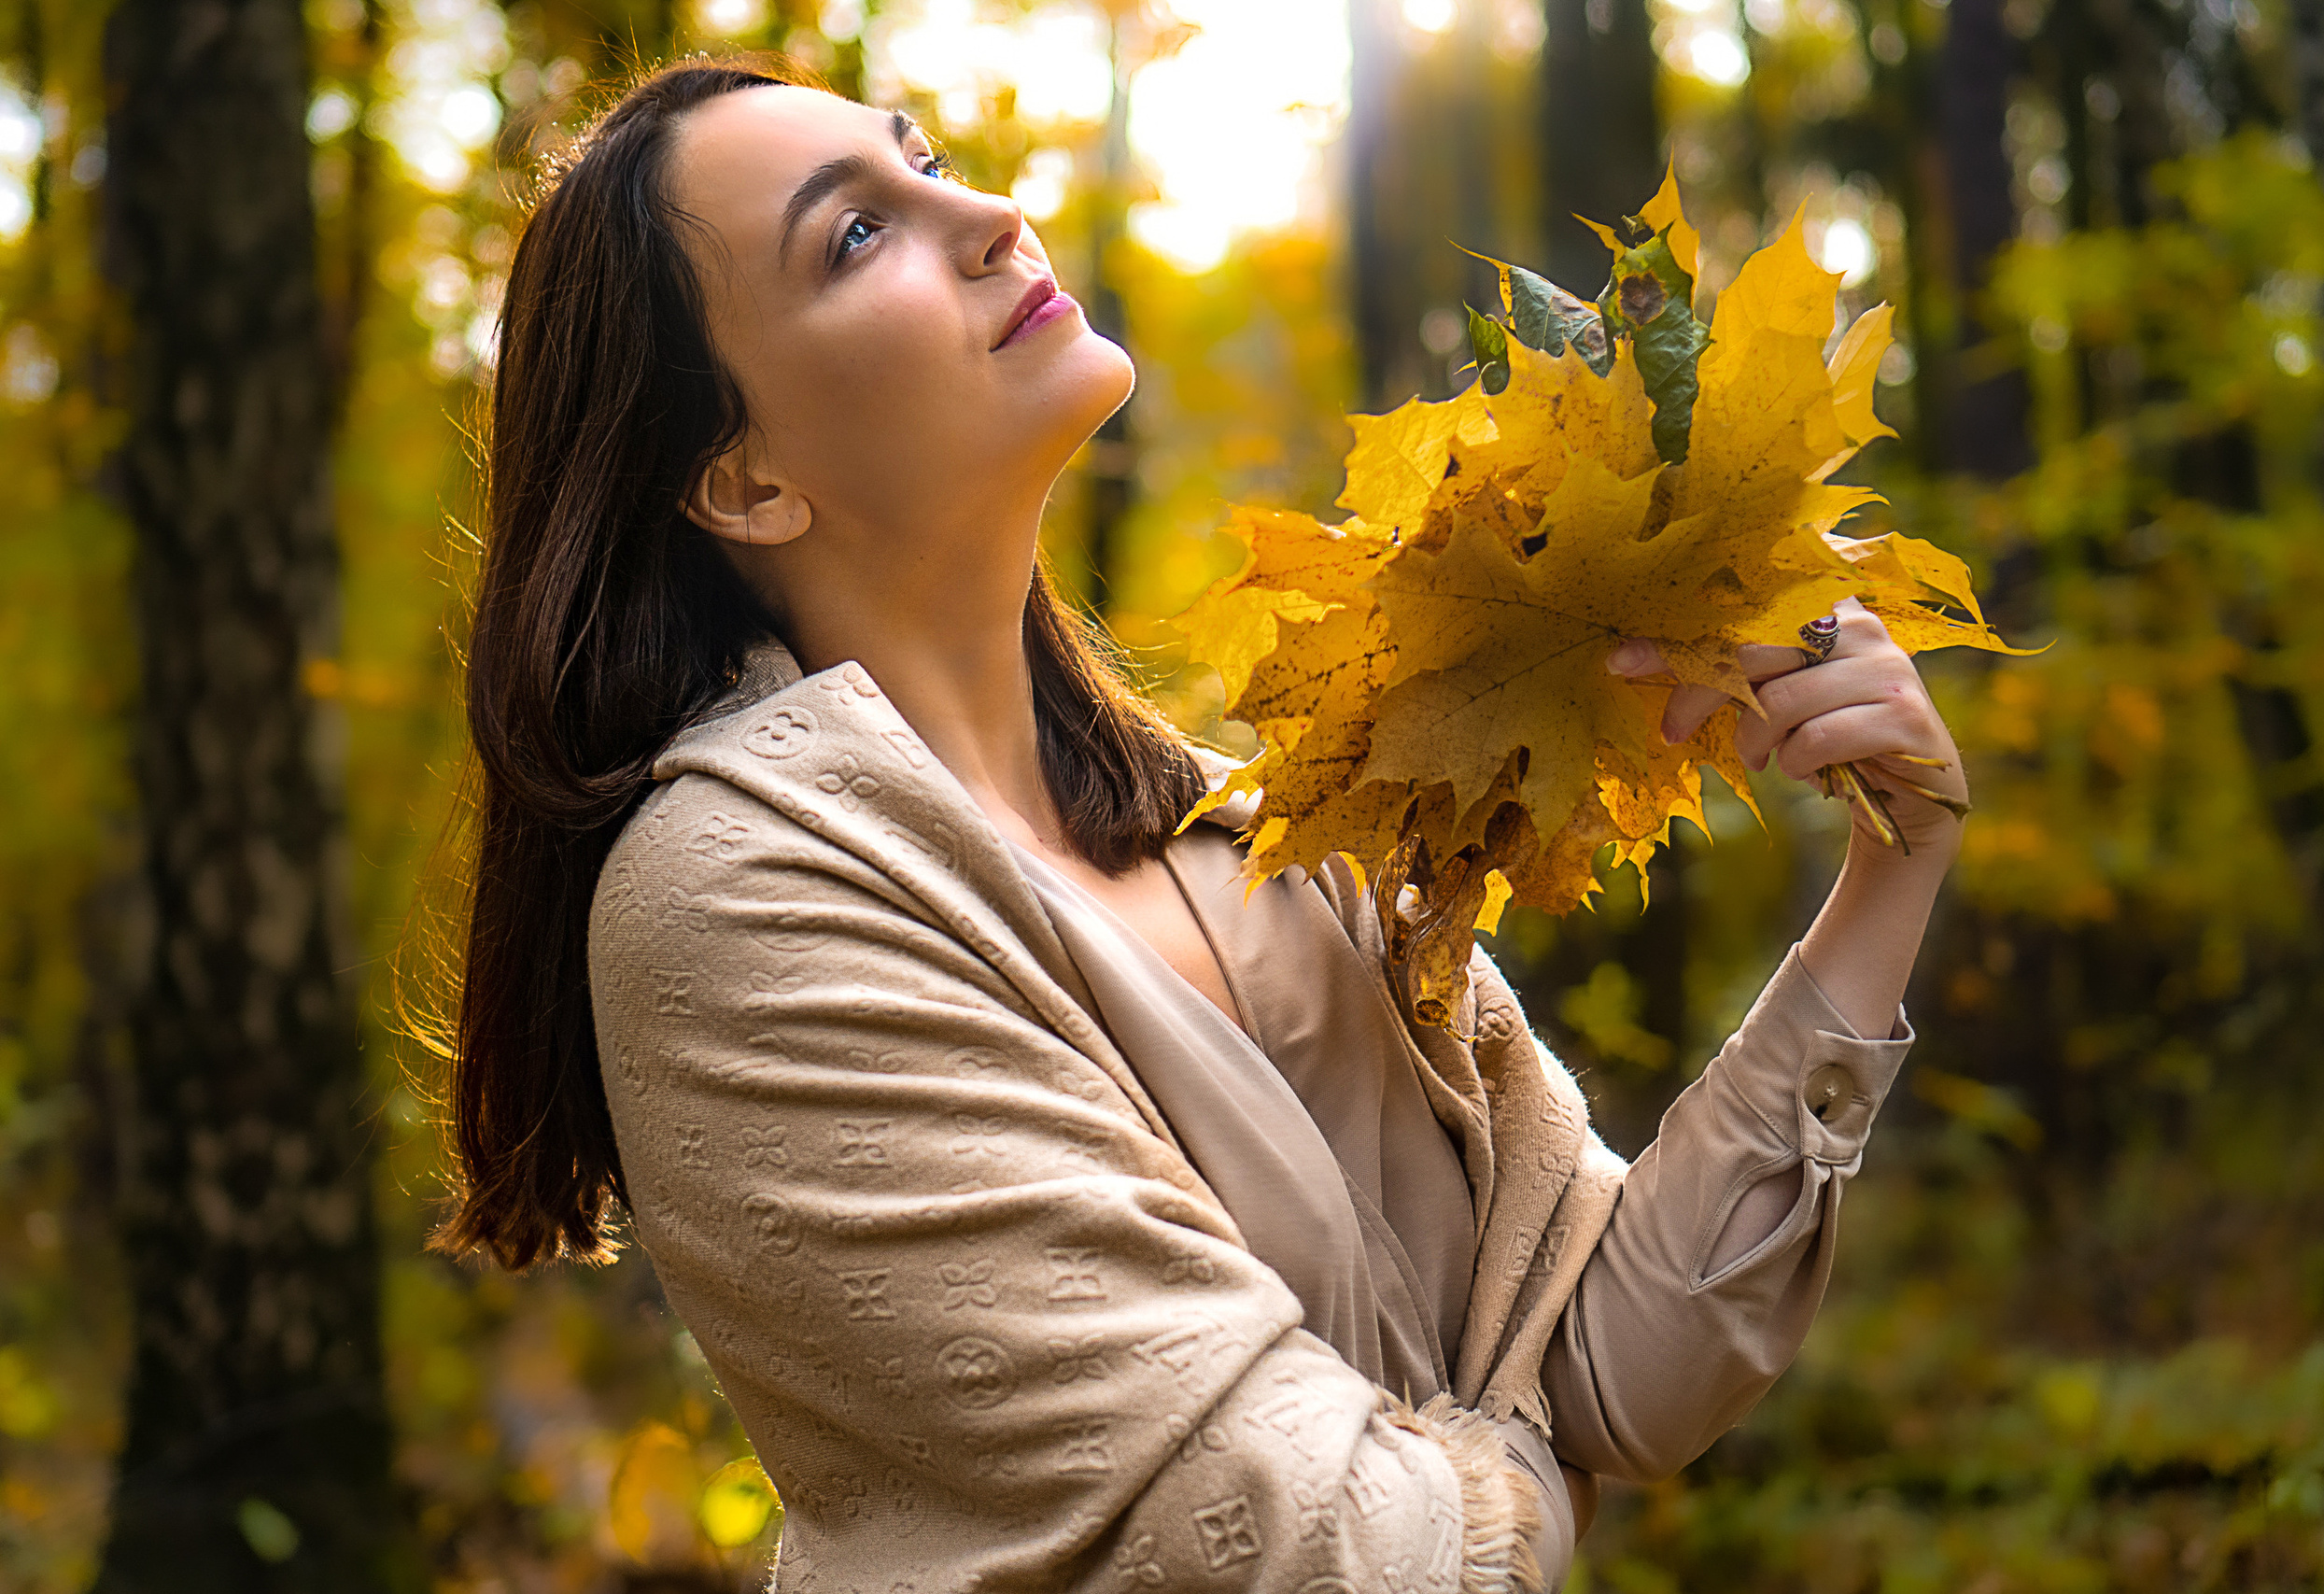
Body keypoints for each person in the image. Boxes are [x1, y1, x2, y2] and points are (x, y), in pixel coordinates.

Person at [430, 57, 1965, 1594]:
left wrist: (1891, 872)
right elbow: (1338, 1559)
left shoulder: (1258, 837)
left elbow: (1622, 1369)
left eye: (933, 159)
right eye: (853, 236)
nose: (983, 214)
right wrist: (1522, 1469)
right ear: (746, 480)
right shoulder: (739, 901)